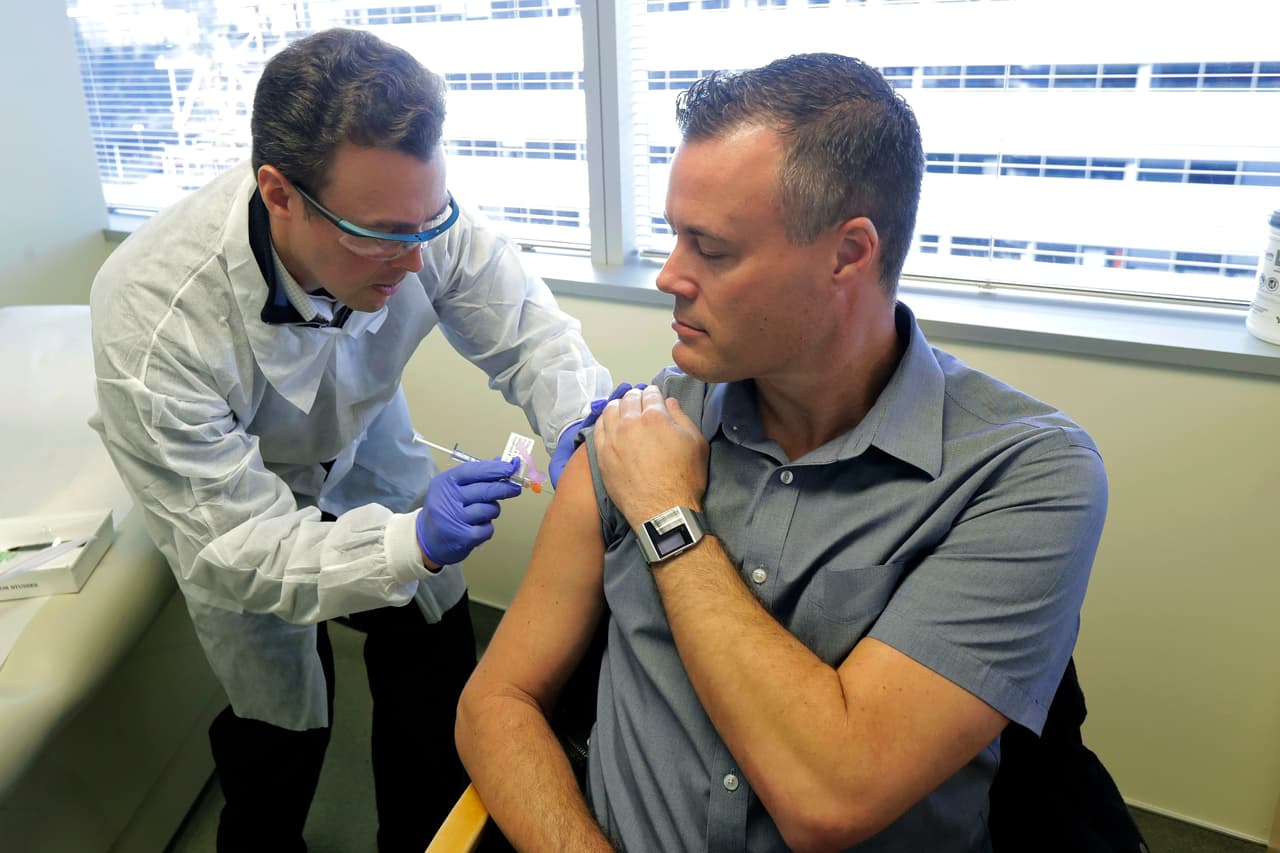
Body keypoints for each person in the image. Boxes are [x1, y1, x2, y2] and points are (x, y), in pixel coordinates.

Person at [456, 53, 1109, 852]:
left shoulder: (1024, 475)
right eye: (672, 235)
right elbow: (497, 699)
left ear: (848, 253)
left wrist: (669, 516)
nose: (668, 275)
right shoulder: (644, 424)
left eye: (713, 248)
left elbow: (830, 795)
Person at [89, 28, 625, 853]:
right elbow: (237, 545)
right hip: (236, 504)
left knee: (434, 664)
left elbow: (527, 334)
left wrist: (582, 423)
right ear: (279, 194)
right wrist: (410, 538)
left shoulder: (411, 216)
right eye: (380, 235)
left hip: (369, 448)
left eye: (428, 222)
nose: (415, 261)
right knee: (281, 730)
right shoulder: (153, 319)